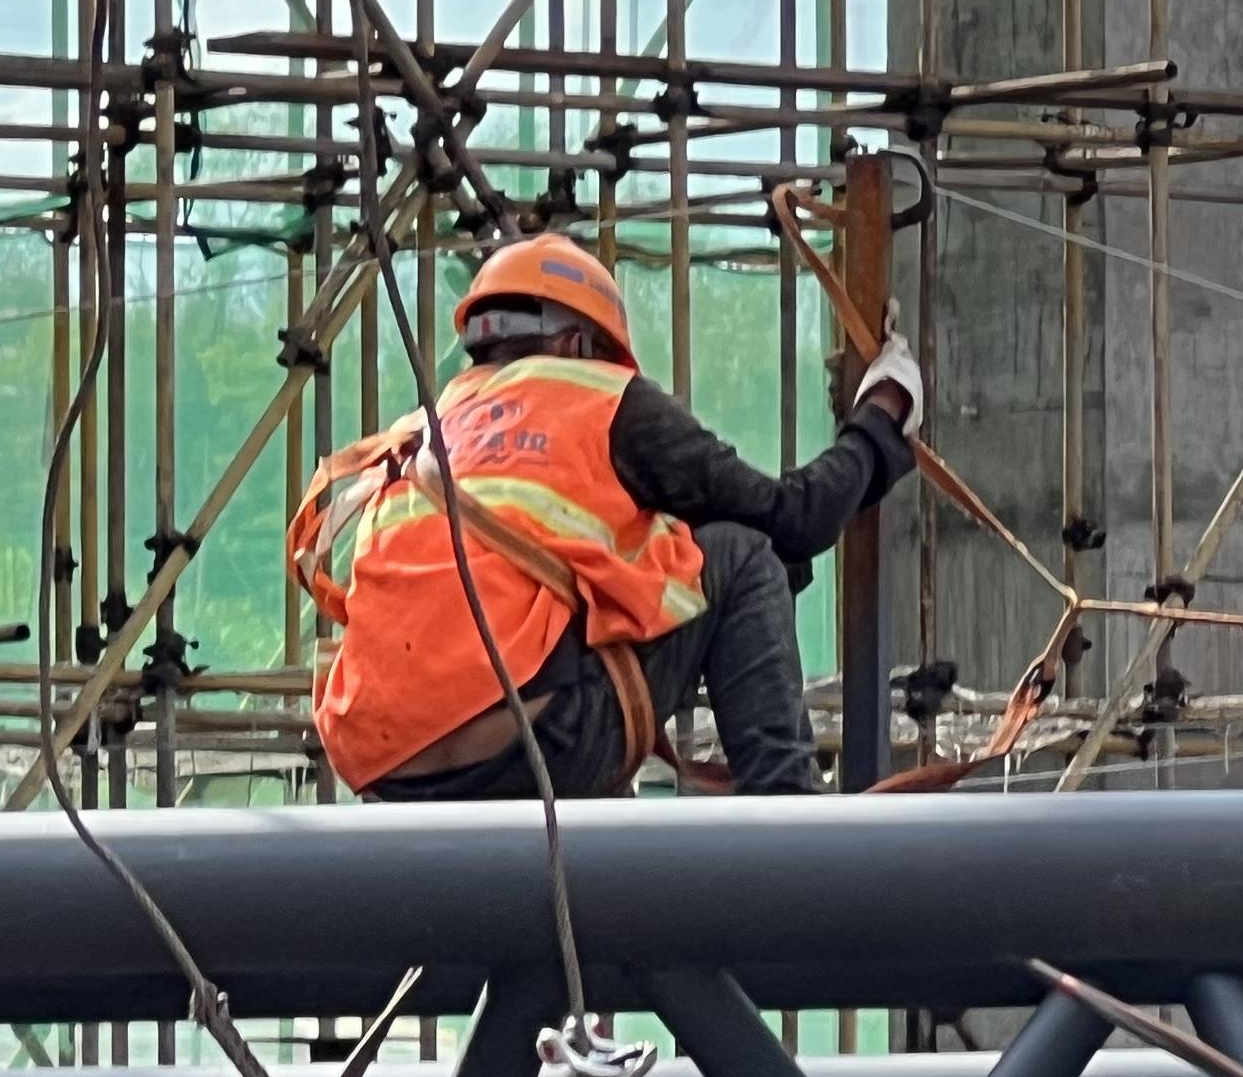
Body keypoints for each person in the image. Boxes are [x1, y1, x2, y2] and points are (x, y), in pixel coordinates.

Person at [292, 231, 923, 799]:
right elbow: (794, 517)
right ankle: (789, 810)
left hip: (392, 780)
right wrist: (882, 416)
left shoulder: (417, 438)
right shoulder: (599, 398)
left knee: (610, 593)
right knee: (738, 553)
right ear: (575, 344)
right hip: (540, 751)